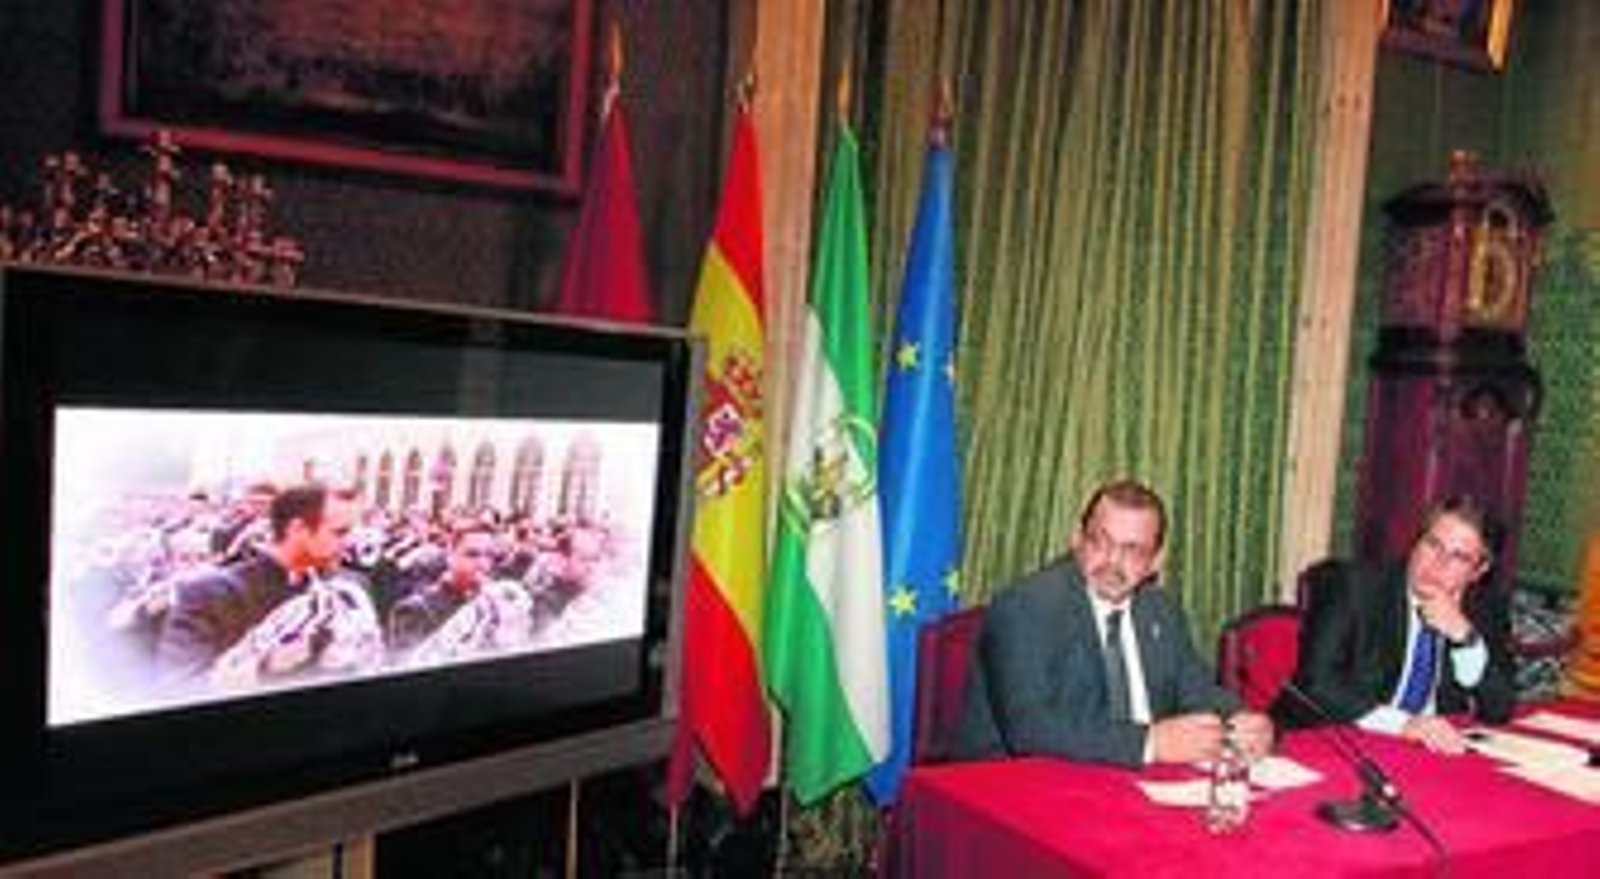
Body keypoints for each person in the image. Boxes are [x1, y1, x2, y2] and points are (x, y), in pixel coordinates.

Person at [956, 479, 1274, 767]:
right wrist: (1149, 743)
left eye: (1132, 550)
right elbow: (1030, 727)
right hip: (1021, 784)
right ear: (1077, 538)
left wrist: (1242, 720)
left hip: (1128, 784)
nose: (1111, 561)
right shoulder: (1027, 605)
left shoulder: (1160, 610)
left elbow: (1195, 688)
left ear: (1155, 562)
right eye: (1100, 541)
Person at [1272, 496, 1516, 754]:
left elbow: (1498, 710)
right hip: (1331, 742)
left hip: (1421, 756)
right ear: (1417, 540)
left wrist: (1465, 638)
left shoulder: (1484, 610)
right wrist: (1404, 725)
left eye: (1458, 557)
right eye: (1433, 544)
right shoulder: (1354, 587)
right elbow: (1316, 684)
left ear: (1479, 571)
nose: (1437, 564)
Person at [155, 483, 372, 684]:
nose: (352, 542)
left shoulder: (347, 589)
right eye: (341, 532)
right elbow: (178, 687)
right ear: (298, 529)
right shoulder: (209, 592)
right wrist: (263, 666)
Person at [387, 519, 500, 653]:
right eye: (472, 554)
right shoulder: (415, 609)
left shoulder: (494, 605)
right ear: (450, 555)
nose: (483, 564)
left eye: (489, 555)